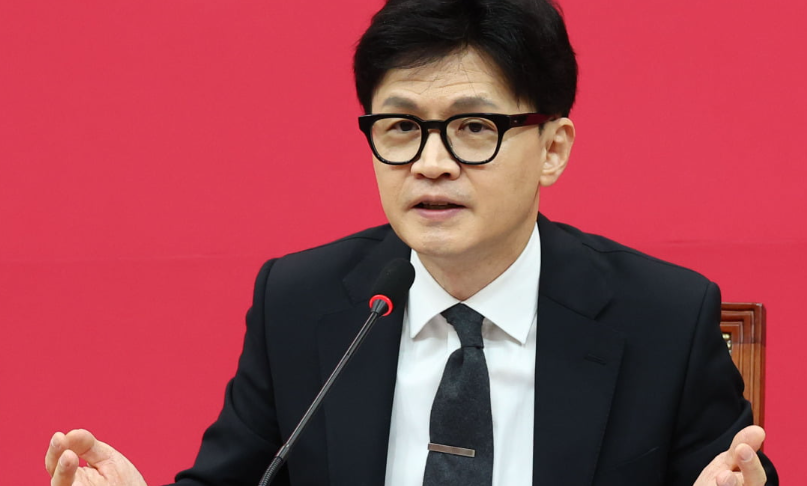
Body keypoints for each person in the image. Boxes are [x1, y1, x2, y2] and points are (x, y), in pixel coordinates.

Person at [46, 0, 778, 485]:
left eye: (473, 127)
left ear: (552, 148)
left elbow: (731, 474)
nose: (431, 162)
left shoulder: (661, 316)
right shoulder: (300, 305)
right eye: (401, 127)